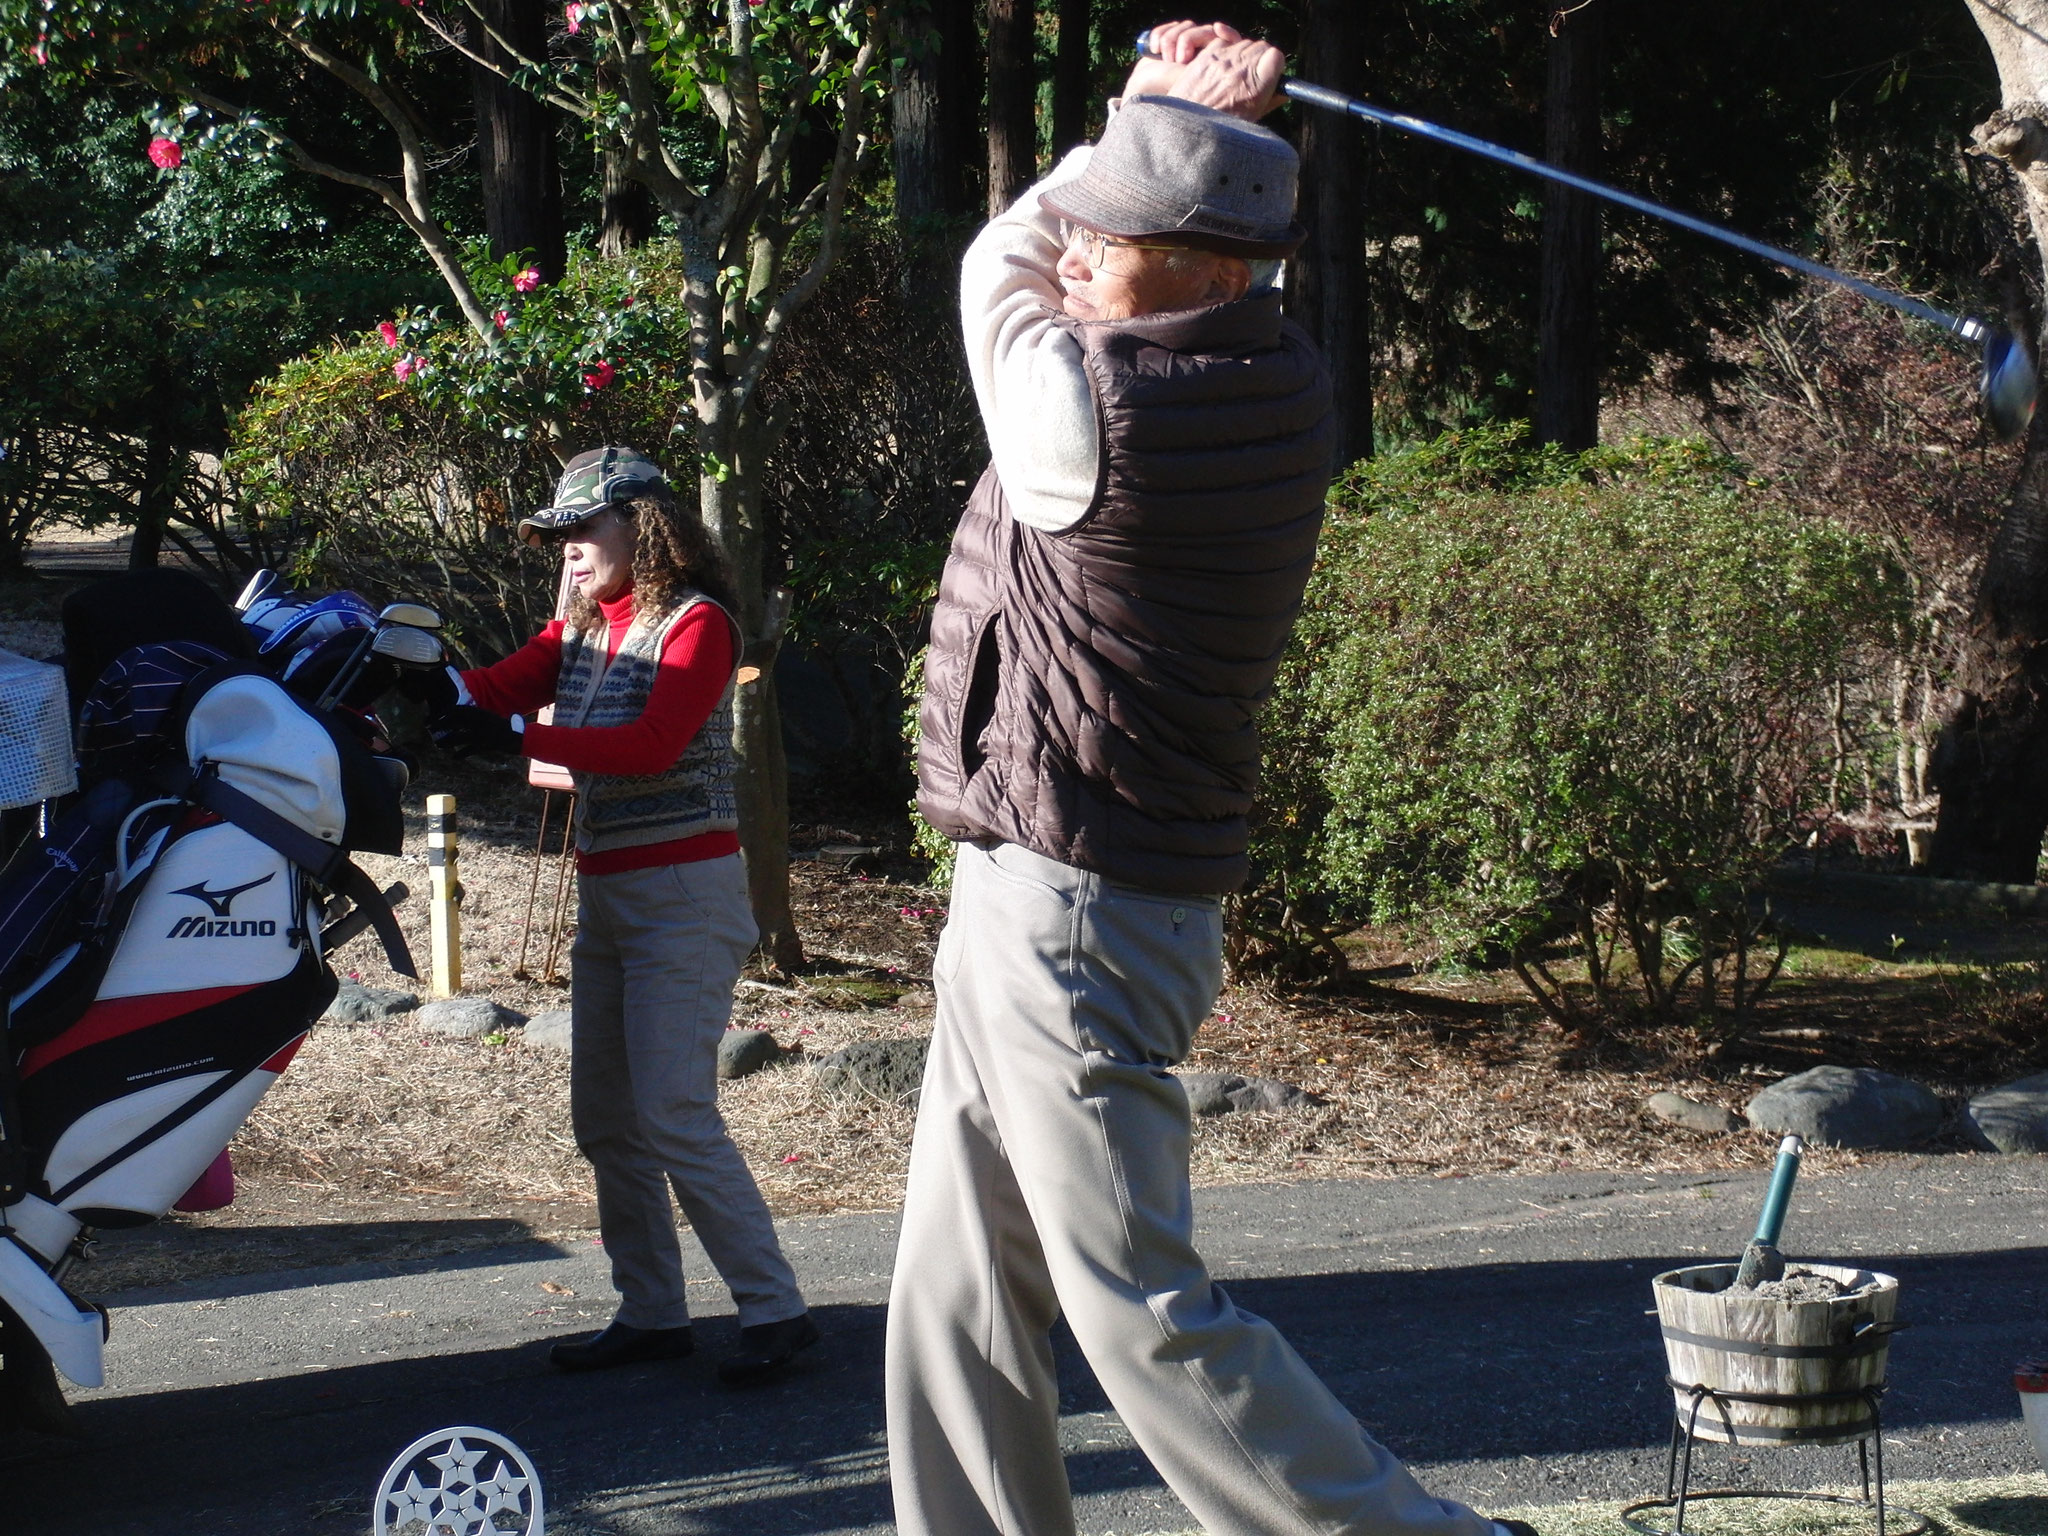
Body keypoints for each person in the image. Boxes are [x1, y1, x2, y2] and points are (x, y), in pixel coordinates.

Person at [888, 21, 1536, 1536]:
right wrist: (1181, 140)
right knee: (956, 1272)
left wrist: (1147, 106)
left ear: (1216, 271)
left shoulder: (1093, 417)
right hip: (1053, 881)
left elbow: (996, 256)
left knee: (1134, 1300)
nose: (1081, 257)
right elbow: (1111, 240)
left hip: (1076, 914)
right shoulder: (1277, 367)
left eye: (1116, 244)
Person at [417, 446, 820, 1386]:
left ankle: (776, 1310)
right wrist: (416, 675)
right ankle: (653, 1313)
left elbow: (650, 744)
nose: (563, 551)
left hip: (685, 894)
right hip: (612, 893)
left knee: (675, 1112)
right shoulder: (579, 627)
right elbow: (488, 690)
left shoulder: (699, 624)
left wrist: (514, 732)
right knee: (606, 1118)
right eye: (554, 537)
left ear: (641, 527)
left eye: (579, 531)